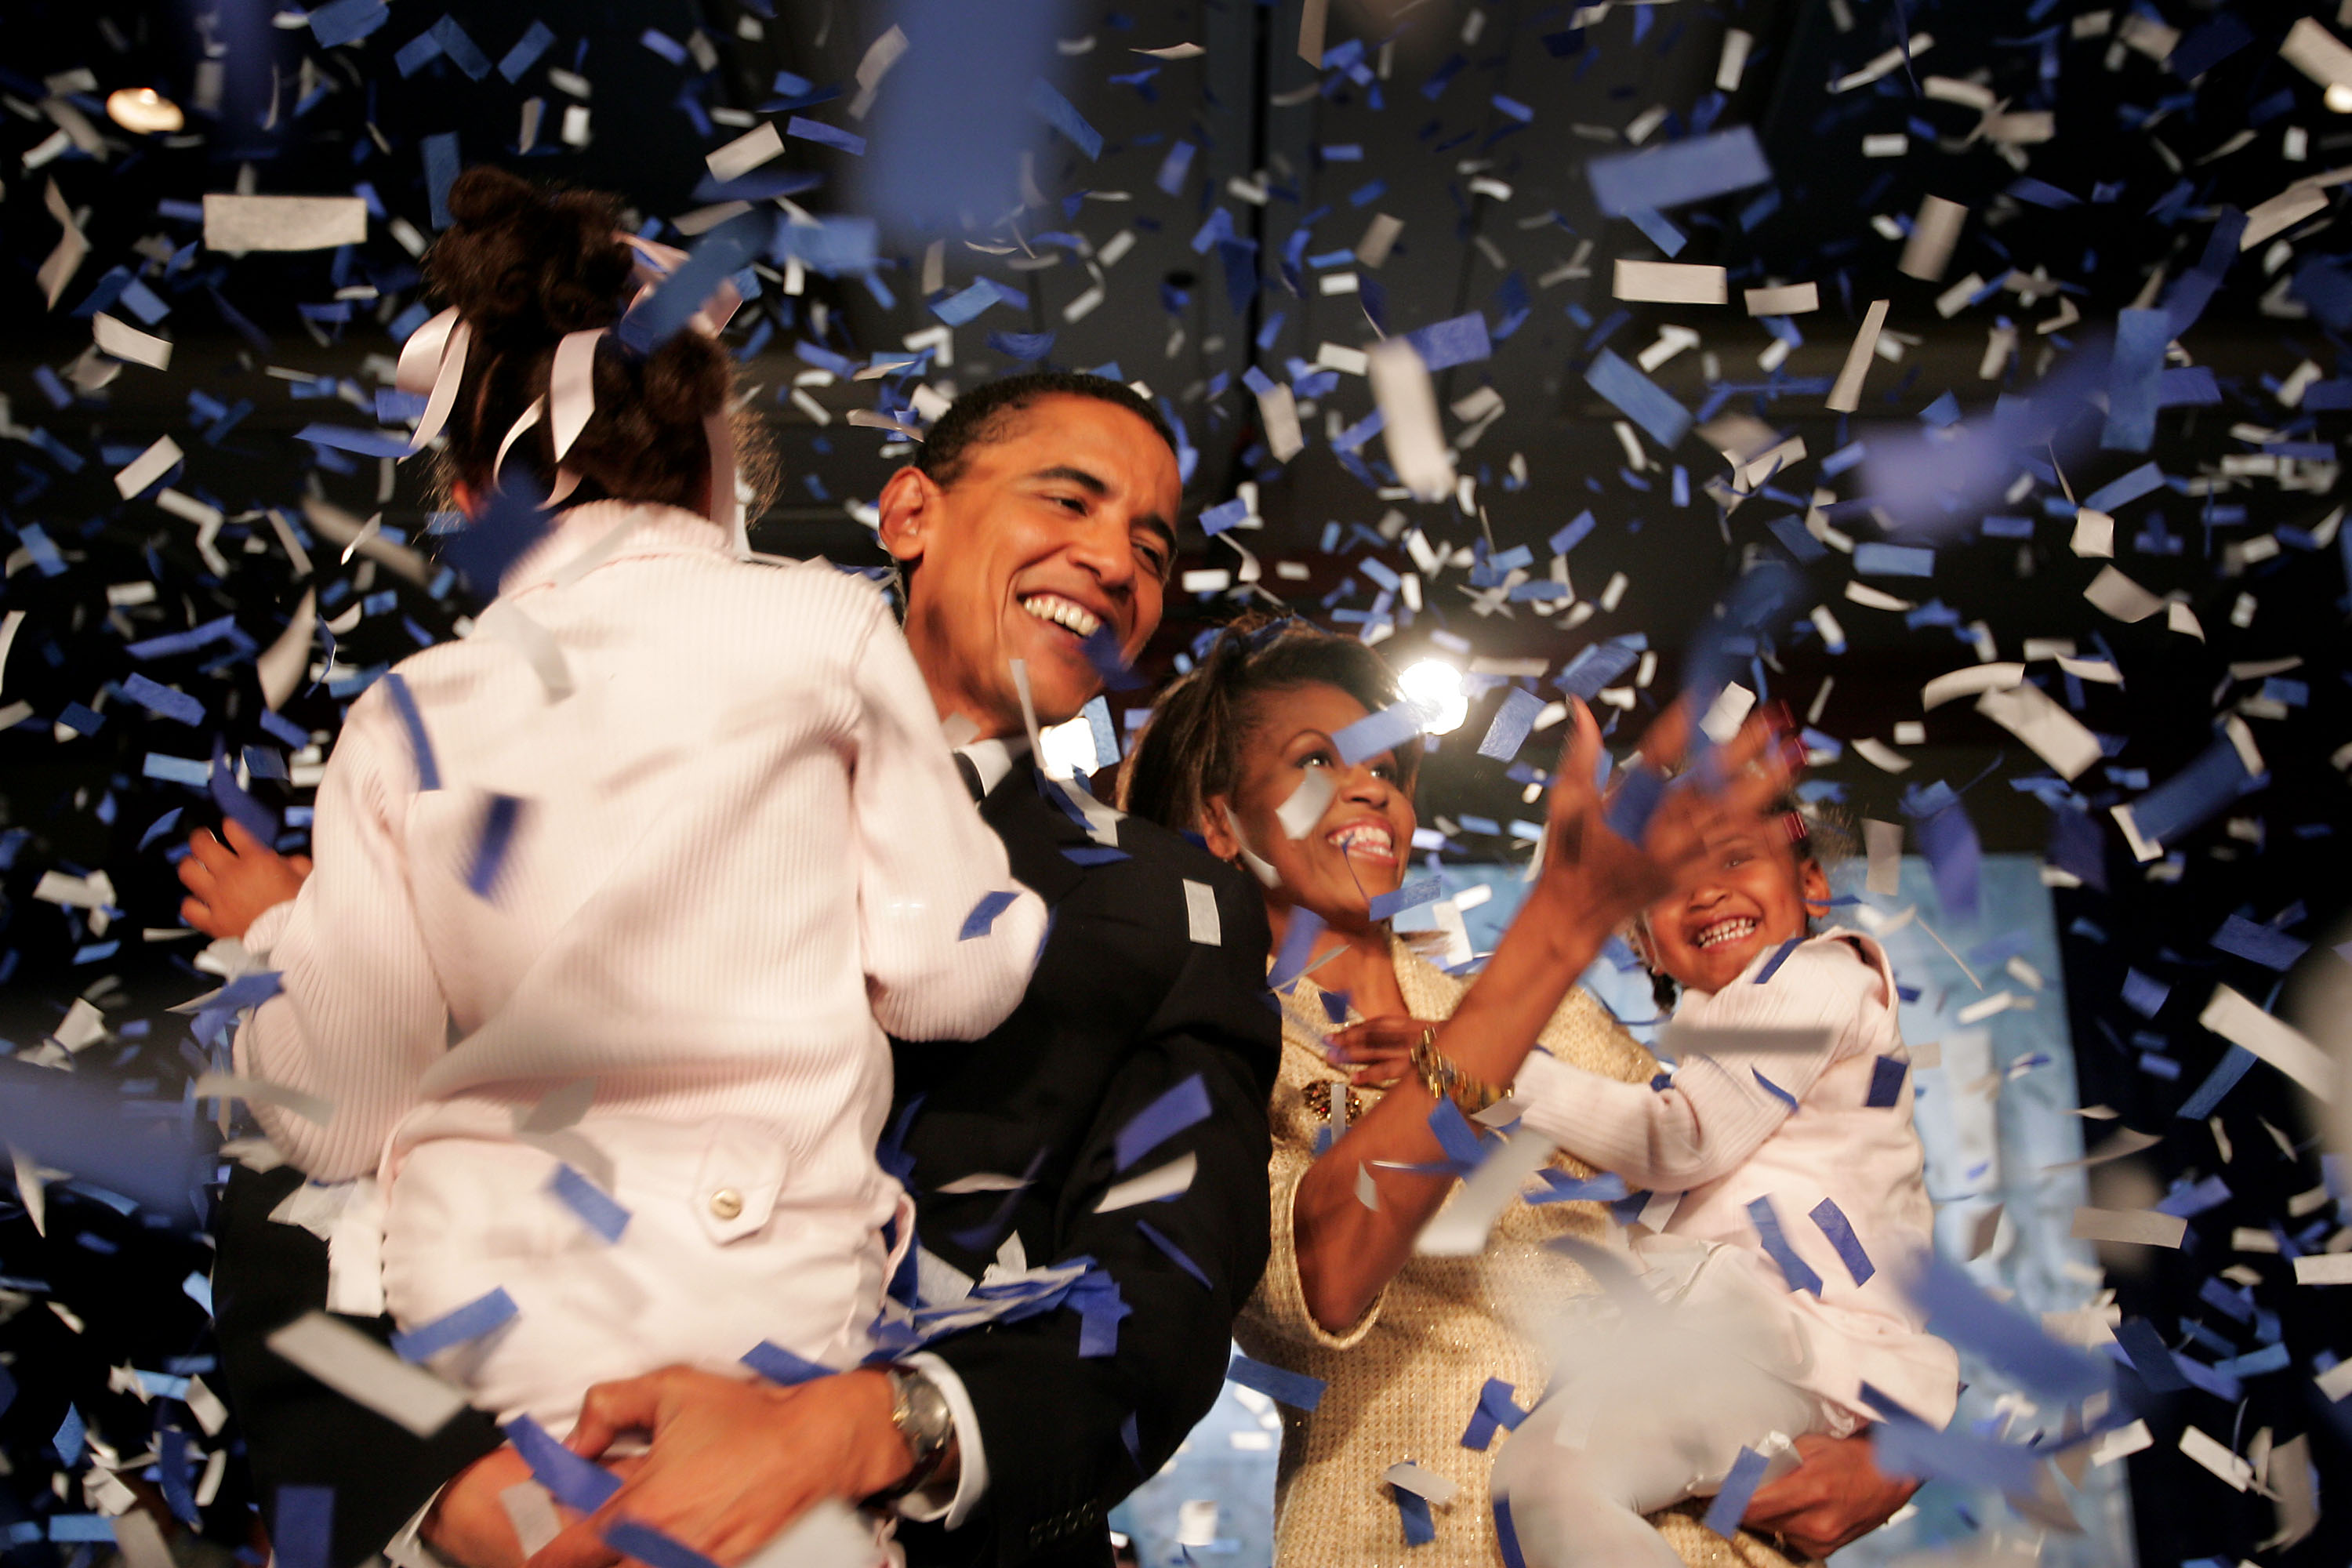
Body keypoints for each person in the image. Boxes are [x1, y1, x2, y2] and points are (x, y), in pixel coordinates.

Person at [199, 363, 1279, 1568]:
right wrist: (450, 1491)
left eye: (1151, 541)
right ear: (910, 513)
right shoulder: (516, 746)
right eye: (1068, 501)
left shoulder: (1173, 910)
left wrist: (869, 1428)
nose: (1117, 561)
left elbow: (1164, 1288)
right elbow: (311, 1153)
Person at [197, 164, 1049, 1442]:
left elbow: (344, 1112)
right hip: (765, 1333)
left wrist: (276, 934)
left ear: (473, 492)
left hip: (492, 1350)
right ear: (722, 465)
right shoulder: (825, 629)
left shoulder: (414, 709)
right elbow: (950, 977)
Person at [1116, 616, 1921, 1568]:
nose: (1372, 782)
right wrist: (1554, 932)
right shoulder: (1218, 1057)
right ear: (1219, 820)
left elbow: (1765, 1203)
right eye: (1318, 760)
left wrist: (1895, 1440)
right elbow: (1315, 1280)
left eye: (1389, 764)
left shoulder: (1557, 1016)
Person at [1490, 808, 1958, 1568]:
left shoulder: (1820, 974)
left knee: (1554, 1473)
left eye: (1736, 858)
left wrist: (1492, 1066)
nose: (1705, 890)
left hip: (1792, 1354)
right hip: (1775, 1360)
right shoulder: (1712, 1050)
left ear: (1811, 885)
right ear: (1642, 939)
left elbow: (1681, 1138)